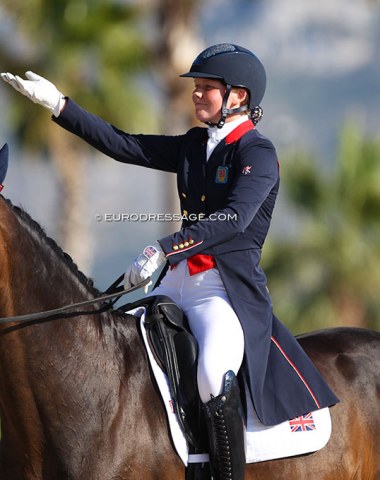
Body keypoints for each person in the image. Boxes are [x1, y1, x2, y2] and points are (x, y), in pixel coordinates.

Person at [1, 44, 338, 480]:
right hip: (175, 282)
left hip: (225, 291)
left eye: (207, 89)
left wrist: (164, 247)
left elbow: (233, 220)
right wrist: (61, 106)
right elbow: (127, 146)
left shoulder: (257, 153)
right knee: (105, 342)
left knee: (215, 376)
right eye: (196, 87)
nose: (197, 95)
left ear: (238, 96)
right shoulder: (196, 143)